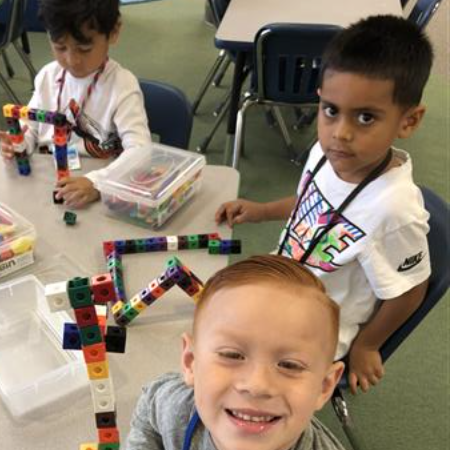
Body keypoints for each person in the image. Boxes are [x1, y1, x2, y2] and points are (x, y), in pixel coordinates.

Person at [214, 15, 433, 395]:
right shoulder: (325, 152)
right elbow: (313, 204)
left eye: (365, 117)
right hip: (282, 281)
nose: (340, 133)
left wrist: (367, 344)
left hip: (323, 324)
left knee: (249, 386)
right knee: (211, 335)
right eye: (331, 110)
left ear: (409, 121)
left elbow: (411, 289)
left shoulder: (394, 209)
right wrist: (264, 210)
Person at [127, 255, 347, 450]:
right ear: (191, 361)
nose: (257, 385)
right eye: (232, 355)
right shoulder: (178, 409)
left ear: (325, 386)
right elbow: (150, 406)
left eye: (290, 365)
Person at [0, 0, 151, 208]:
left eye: (84, 48)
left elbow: (141, 151)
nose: (72, 60)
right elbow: (32, 125)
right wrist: (19, 143)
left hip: (96, 186)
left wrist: (96, 183)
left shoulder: (122, 86)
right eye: (60, 47)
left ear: (113, 31)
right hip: (46, 181)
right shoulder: (48, 76)